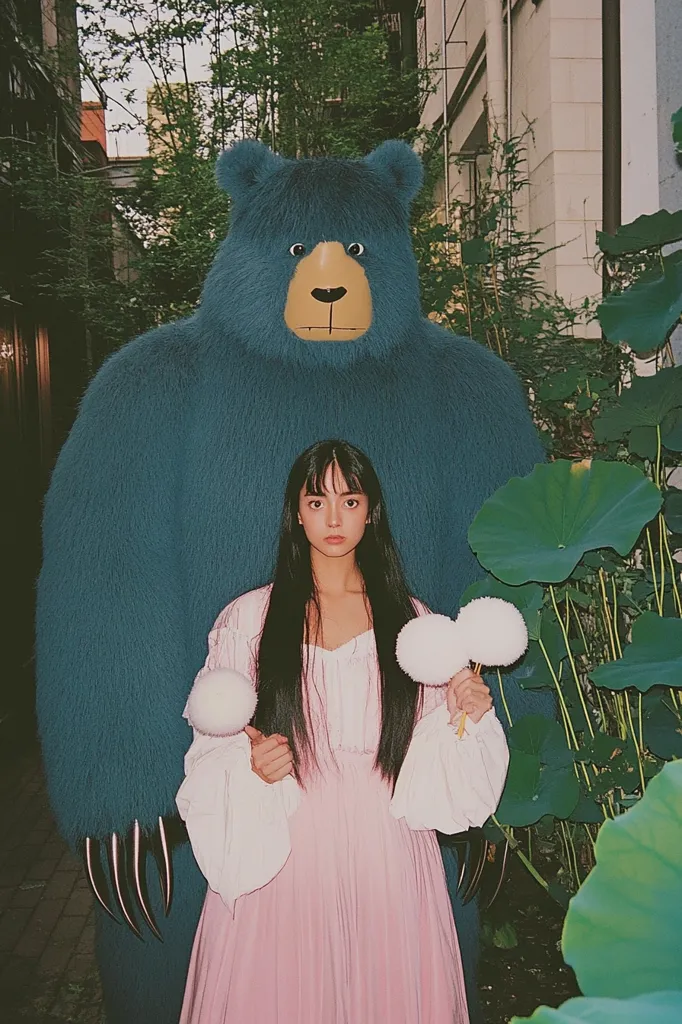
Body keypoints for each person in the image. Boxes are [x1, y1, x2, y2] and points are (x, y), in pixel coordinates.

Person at [176, 440, 509, 1024]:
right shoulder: (249, 619)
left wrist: (467, 714)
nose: (333, 518)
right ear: (295, 511)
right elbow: (213, 734)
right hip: (286, 845)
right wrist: (248, 764)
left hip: (388, 848)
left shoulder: (414, 625)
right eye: (316, 500)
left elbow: (437, 759)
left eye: (350, 500)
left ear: (370, 510)